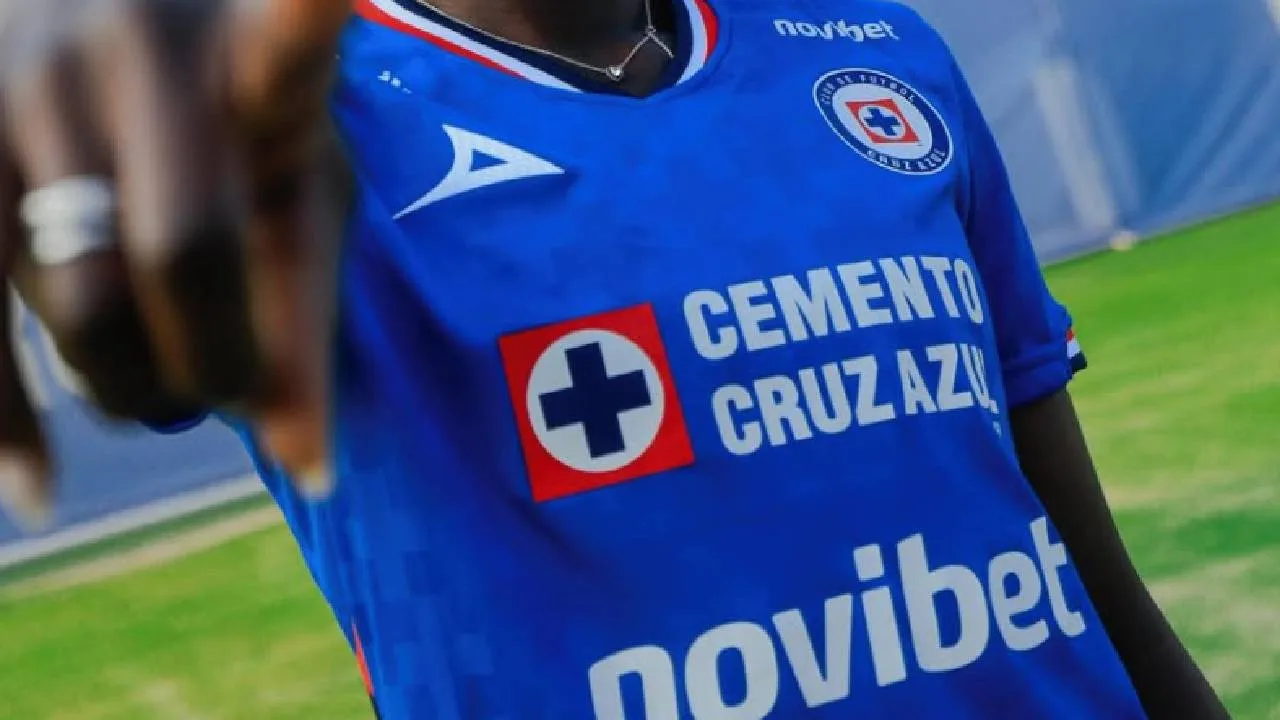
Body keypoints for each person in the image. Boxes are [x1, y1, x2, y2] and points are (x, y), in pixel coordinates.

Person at [0, 0, 1230, 718]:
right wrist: (92, 173)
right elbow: (164, 319)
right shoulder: (297, 125)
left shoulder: (869, 45)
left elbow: (1080, 571)